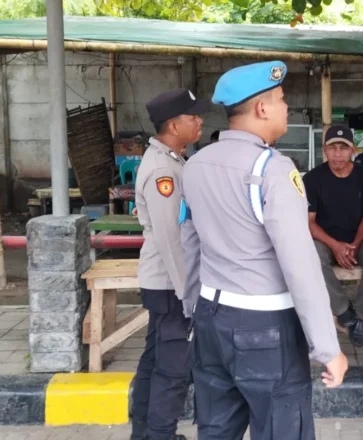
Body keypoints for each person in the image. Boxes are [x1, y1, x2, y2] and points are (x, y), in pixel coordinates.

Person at [179, 61, 349, 440]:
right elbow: (300, 265)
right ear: (261, 109)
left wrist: (194, 309)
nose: (286, 107)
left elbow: (189, 244)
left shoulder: (195, 165)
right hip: (264, 329)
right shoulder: (272, 169)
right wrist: (327, 347)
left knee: (216, 429)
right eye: (282, 99)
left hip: (210, 318)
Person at [131, 88, 207, 440]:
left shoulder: (172, 159)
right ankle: (158, 434)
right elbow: (171, 239)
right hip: (170, 283)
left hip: (164, 282)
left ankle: (146, 432)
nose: (200, 121)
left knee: (155, 359)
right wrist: (187, 294)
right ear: (174, 126)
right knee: (174, 368)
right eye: (193, 117)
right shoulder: (164, 169)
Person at [303, 125, 363, 347]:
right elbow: (309, 222)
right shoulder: (313, 178)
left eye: (343, 148)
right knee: (311, 254)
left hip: (357, 238)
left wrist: (355, 244)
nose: (337, 153)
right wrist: (335, 245)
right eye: (332, 148)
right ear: (324, 150)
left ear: (352, 151)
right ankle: (343, 310)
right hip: (325, 240)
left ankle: (362, 315)